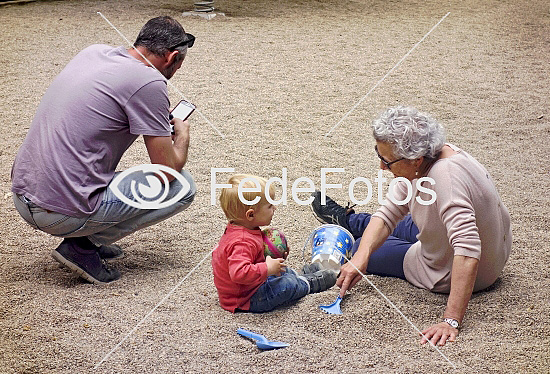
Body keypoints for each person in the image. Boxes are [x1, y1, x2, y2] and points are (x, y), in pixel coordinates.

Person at [11, 16, 197, 284]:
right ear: (171, 57)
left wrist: (152, 115)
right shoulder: (150, 82)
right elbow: (167, 172)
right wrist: (183, 135)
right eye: (179, 65)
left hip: (24, 195)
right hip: (56, 212)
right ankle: (83, 245)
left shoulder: (94, 52)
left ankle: (84, 237)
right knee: (183, 186)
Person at [311, 106, 511, 346]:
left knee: (357, 247)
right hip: (482, 247)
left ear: (415, 158)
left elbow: (468, 250)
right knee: (386, 233)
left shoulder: (445, 179)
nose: (382, 167)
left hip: (464, 271)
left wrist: (451, 321)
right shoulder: (435, 156)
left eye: (386, 161)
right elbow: (389, 212)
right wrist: (361, 257)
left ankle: (350, 225)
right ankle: (350, 220)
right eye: (379, 154)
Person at [212, 174, 337, 313]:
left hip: (252, 285)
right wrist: (267, 268)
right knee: (286, 285)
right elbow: (239, 273)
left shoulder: (246, 229)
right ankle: (308, 283)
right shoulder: (241, 242)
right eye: (270, 205)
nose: (275, 208)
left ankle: (298, 275)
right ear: (251, 215)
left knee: (281, 271)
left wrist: (274, 256)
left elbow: (253, 259)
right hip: (247, 298)